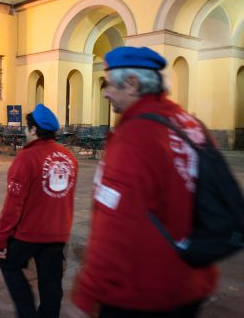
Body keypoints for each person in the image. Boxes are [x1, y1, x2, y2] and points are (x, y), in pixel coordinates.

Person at [70, 47, 218, 317]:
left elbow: (114, 224)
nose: (105, 92)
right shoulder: (191, 124)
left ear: (132, 84)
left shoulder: (134, 135)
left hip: (140, 290)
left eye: (109, 84)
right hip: (191, 282)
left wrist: (88, 292)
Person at [0, 104, 78, 318]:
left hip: (29, 232)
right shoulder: (69, 158)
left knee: (9, 264)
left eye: (26, 128)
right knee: (51, 285)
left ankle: (27, 312)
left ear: (33, 130)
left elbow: (13, 204)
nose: (24, 132)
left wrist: (1, 239)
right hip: (58, 233)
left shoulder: (26, 158)